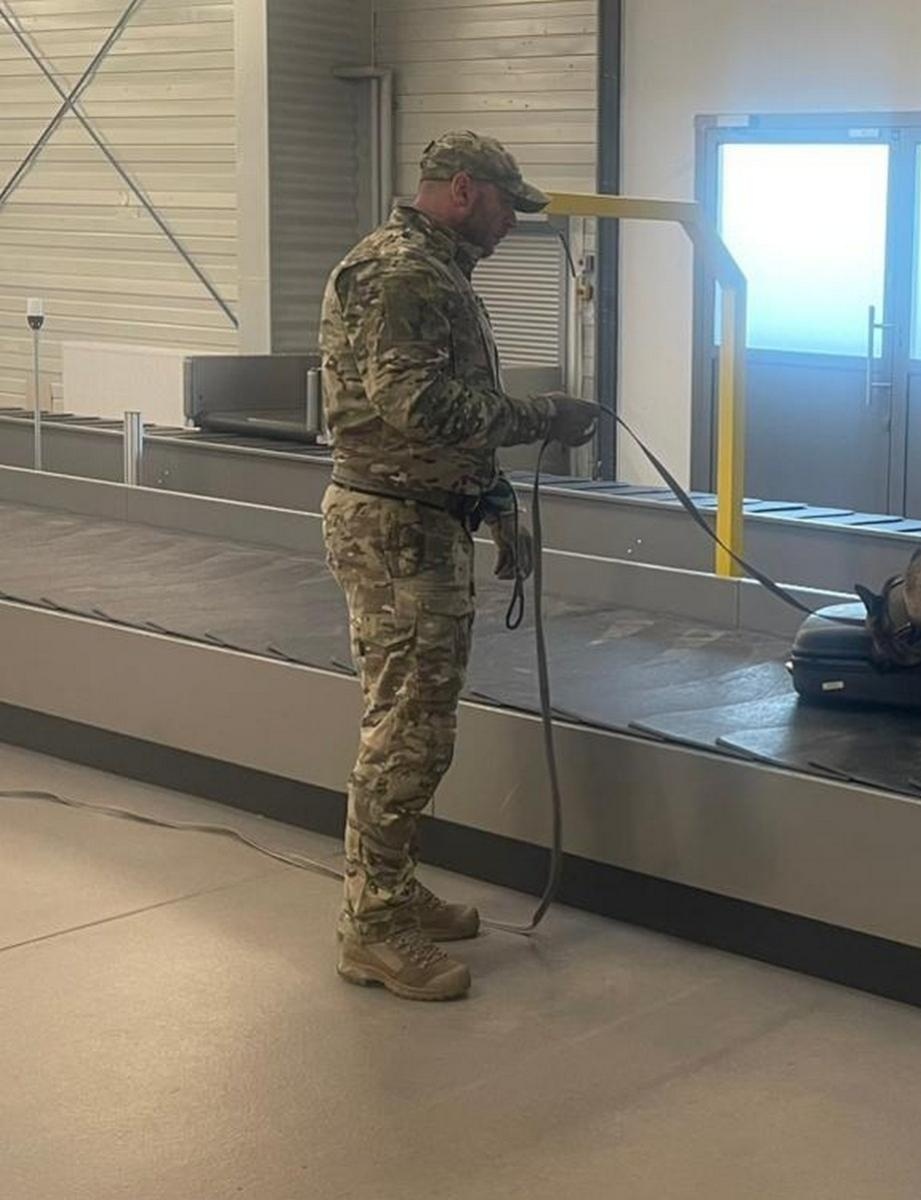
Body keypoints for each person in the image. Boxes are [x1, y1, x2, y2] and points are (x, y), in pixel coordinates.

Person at [317, 130, 596, 1001]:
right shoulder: (402, 273)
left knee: (417, 724)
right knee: (408, 729)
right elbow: (417, 406)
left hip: (425, 518)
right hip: (395, 530)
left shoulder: (436, 272)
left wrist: (494, 499)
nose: (514, 222)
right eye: (509, 205)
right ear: (465, 190)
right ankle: (372, 928)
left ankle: (390, 889)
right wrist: (543, 414)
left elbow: (443, 420)